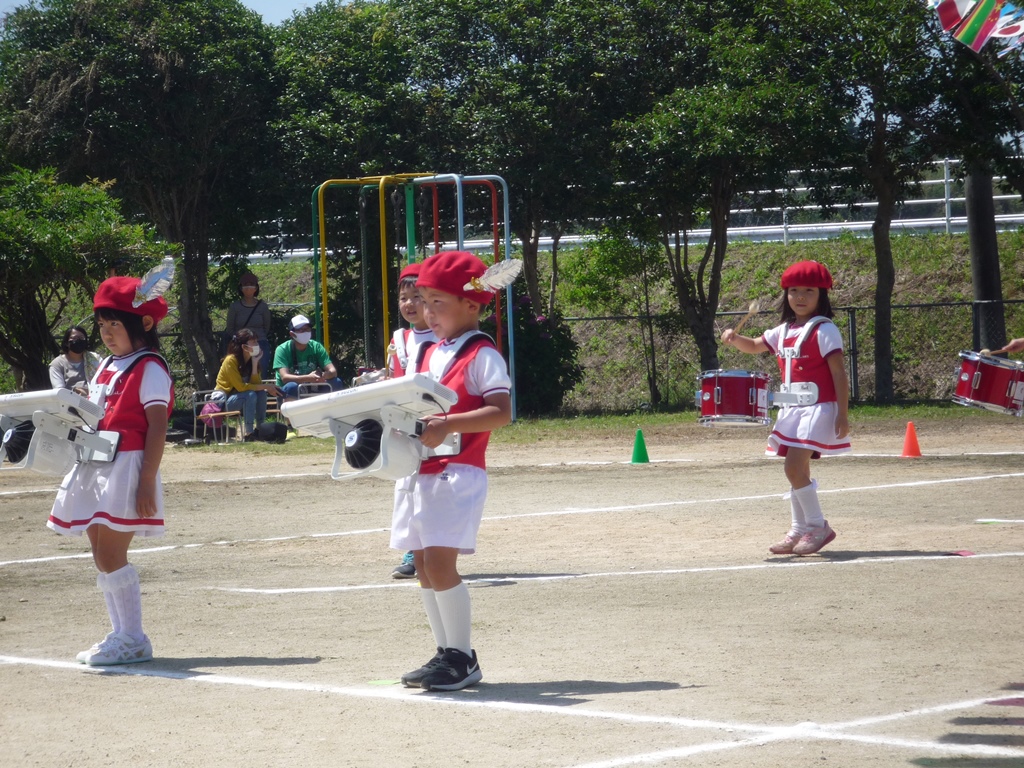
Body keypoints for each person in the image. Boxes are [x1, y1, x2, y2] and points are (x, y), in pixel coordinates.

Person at [392, 251, 513, 692]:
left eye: (437, 302)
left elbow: (500, 411)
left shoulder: (482, 353)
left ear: (473, 305)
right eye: (423, 301)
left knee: (441, 563)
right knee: (423, 564)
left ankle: (462, 657)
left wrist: (449, 424)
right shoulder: (427, 352)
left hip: (457, 471)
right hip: (421, 471)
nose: (427, 312)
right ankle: (445, 652)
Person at [47, 271, 174, 665]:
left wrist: (146, 483)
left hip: (128, 466)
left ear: (145, 324)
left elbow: (157, 426)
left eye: (114, 323)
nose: (105, 332)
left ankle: (134, 637)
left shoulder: (150, 366)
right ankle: (122, 634)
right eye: (102, 324)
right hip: (97, 462)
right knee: (101, 555)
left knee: (111, 555)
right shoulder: (106, 366)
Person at [721, 260, 850, 557]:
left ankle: (818, 526)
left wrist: (843, 413)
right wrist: (735, 338)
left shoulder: (825, 329)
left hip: (818, 408)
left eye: (808, 291)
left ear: (822, 295)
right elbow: (754, 345)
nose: (800, 297)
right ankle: (798, 529)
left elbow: (839, 374)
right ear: (786, 295)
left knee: (792, 467)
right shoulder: (784, 330)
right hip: (792, 411)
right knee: (797, 470)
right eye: (794, 291)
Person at [388, 262, 440, 580]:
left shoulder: (444, 337)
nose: (409, 304)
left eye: (416, 297)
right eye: (403, 298)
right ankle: (412, 549)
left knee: (432, 486)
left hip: (436, 422)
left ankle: (435, 549)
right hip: (405, 422)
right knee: (406, 485)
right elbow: (395, 379)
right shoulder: (400, 339)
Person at [213, 327, 281, 437]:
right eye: (253, 342)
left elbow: (256, 384)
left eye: (256, 341)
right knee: (250, 395)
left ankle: (261, 428)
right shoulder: (230, 360)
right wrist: (267, 386)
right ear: (244, 346)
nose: (257, 345)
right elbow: (241, 387)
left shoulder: (252, 360)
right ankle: (249, 432)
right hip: (223, 401)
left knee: (261, 393)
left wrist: (254, 365)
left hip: (241, 397)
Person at [272, 314, 344, 401]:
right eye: (301, 330)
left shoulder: (316, 346)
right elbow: (285, 377)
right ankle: (293, 414)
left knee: (336, 382)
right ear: (292, 334)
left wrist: (322, 376)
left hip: (313, 386)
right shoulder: (282, 349)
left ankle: (332, 412)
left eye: (307, 329)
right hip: (289, 390)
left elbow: (333, 371)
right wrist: (308, 378)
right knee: (291, 386)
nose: (305, 332)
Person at [224, 272, 273, 377]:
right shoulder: (234, 307)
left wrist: (256, 339)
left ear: (256, 288)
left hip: (260, 342)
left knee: (260, 373)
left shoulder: (263, 307)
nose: (248, 287)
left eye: (251, 284)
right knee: (241, 373)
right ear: (241, 288)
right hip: (241, 345)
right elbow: (230, 328)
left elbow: (267, 326)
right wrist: (241, 340)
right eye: (245, 285)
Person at [49, 326, 102, 396]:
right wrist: (75, 392)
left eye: (81, 338)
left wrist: (89, 392)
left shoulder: (95, 359)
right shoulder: (57, 364)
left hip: (95, 399)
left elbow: (104, 381)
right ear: (67, 343)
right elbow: (59, 391)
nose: (78, 340)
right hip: (70, 403)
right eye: (74, 338)